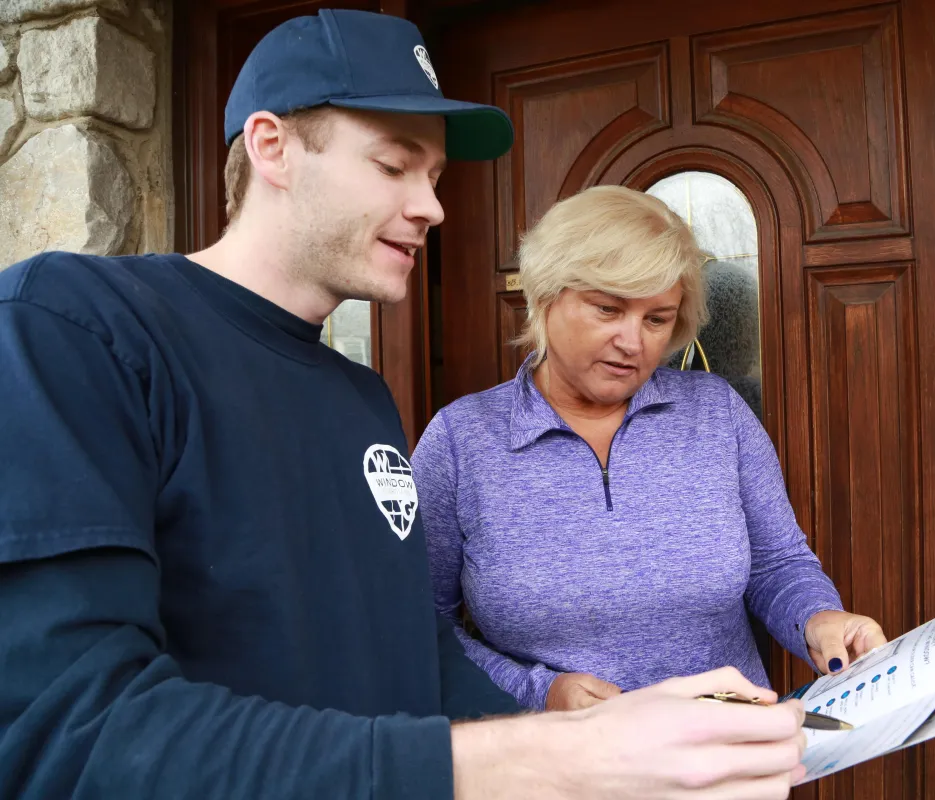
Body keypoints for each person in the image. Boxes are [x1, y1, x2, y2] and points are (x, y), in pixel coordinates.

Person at [0, 10, 812, 799]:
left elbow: (417, 653)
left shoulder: (362, 399)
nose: (432, 206)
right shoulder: (78, 325)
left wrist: (601, 735)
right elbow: (65, 733)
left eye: (434, 177)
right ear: (271, 146)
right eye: (394, 166)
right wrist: (554, 758)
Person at [411, 185, 888, 713]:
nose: (633, 342)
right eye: (607, 309)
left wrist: (818, 618)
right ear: (546, 297)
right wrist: (539, 691)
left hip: (725, 747)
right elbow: (420, 624)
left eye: (656, 319)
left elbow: (777, 565)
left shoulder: (716, 413)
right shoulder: (461, 441)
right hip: (561, 754)